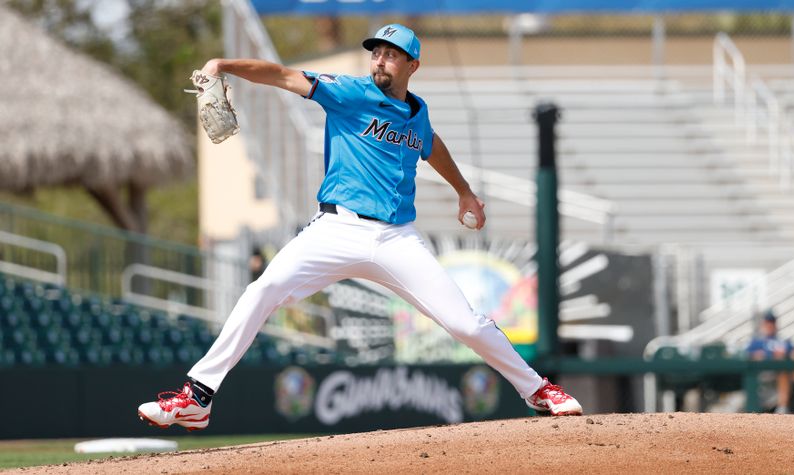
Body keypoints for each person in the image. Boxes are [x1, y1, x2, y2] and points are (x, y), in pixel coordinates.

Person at [137, 24, 582, 431]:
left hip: (396, 238)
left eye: (392, 54)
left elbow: (431, 145)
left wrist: (464, 191)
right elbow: (281, 74)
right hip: (335, 229)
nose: (381, 60)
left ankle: (538, 390)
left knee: (465, 323)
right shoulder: (347, 93)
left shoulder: (417, 113)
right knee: (261, 291)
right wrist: (223, 65)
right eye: (377, 52)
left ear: (412, 65)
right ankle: (196, 398)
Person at [746, 309, 794, 414]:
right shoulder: (757, 341)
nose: (770, 325)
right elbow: (748, 355)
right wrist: (768, 355)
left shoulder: (783, 341)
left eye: (772, 322)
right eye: (767, 322)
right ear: (763, 324)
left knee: (785, 371)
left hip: (780, 375)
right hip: (761, 375)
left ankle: (782, 408)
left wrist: (785, 354)